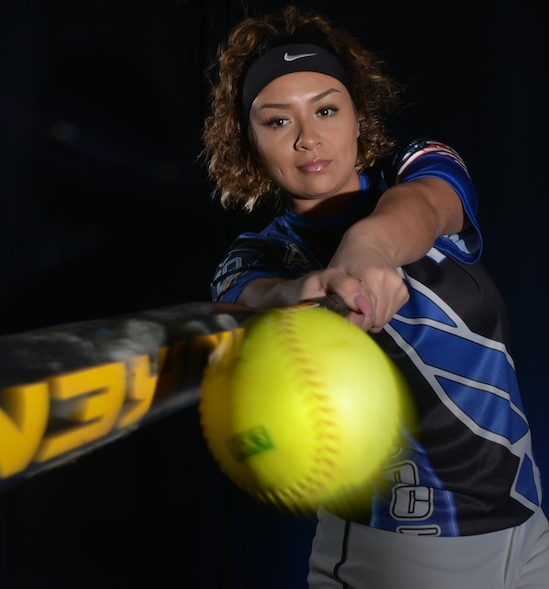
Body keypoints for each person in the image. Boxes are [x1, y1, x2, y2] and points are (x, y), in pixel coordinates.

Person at [202, 5, 549, 588]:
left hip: (527, 527)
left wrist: (365, 249)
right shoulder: (258, 256)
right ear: (249, 141)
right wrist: (299, 297)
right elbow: (246, 298)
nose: (309, 138)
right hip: (397, 551)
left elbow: (428, 206)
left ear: (359, 117)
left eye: (327, 110)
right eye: (278, 121)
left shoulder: (418, 168)